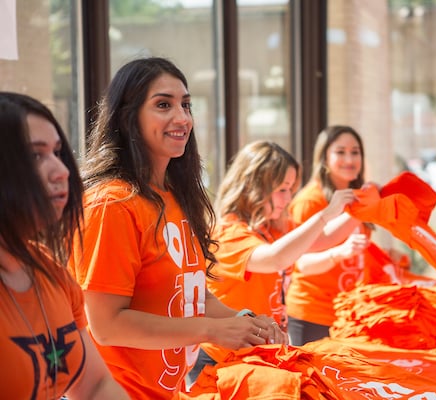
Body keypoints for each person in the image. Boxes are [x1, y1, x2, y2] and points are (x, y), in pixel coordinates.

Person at [68, 57, 287, 399]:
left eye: (186, 104)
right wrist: (212, 331)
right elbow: (106, 325)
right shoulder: (111, 204)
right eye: (163, 105)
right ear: (128, 117)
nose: (182, 118)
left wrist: (246, 321)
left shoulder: (175, 197)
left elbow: (191, 294)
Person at [188, 140, 358, 379]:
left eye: (290, 189)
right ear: (254, 186)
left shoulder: (272, 227)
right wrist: (326, 214)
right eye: (282, 189)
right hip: (221, 359)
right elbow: (275, 259)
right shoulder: (228, 233)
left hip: (257, 356)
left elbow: (322, 239)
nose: (288, 198)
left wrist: (363, 210)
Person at [0, 92, 128, 399]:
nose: (62, 171)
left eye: (58, 152)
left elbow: (95, 385)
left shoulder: (49, 269)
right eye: (35, 156)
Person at [286, 125, 394, 345]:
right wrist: (339, 252)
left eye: (355, 152)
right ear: (324, 157)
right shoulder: (310, 201)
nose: (350, 159)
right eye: (340, 152)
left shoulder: (358, 196)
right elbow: (300, 263)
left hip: (349, 313)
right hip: (312, 314)